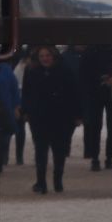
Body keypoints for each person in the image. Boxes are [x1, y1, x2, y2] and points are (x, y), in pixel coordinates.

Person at [20, 44, 80, 194]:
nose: (45, 59)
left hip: (60, 116)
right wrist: (26, 111)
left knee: (59, 151)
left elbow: (74, 93)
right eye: (42, 56)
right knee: (40, 150)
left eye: (47, 56)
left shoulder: (65, 71)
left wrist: (77, 115)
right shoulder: (31, 71)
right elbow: (26, 92)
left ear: (53, 56)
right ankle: (41, 182)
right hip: (39, 116)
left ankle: (57, 181)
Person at [76, 43, 112, 171]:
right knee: (96, 125)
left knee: (111, 125)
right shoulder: (93, 50)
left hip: (110, 91)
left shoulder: (95, 49)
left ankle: (107, 156)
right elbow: (83, 74)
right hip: (95, 92)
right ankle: (97, 157)